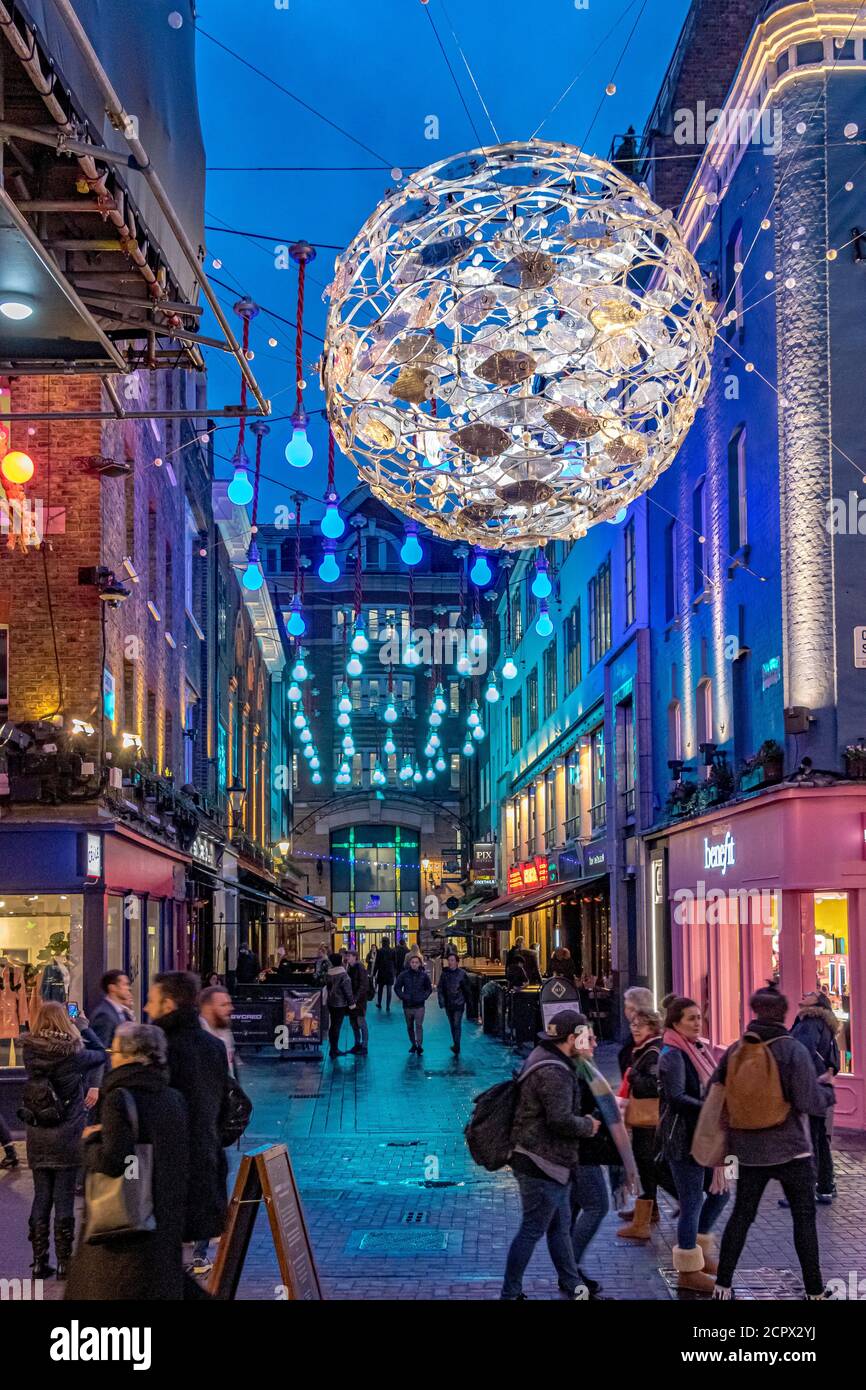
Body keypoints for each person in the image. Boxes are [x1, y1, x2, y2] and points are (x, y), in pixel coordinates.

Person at [712, 989, 837, 1301]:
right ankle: (814, 1290)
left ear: (755, 1012)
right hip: (791, 1148)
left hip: (748, 1151)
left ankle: (722, 1285)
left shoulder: (735, 1050)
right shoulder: (791, 1049)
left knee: (741, 1216)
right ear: (783, 1014)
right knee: (803, 1219)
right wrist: (829, 1093)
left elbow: (714, 1093)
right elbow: (809, 1100)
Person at [65, 1022, 189, 1301]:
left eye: (115, 1050)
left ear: (130, 1055)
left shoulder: (120, 1099)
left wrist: (89, 1143)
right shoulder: (173, 1098)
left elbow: (113, 1160)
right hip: (164, 1220)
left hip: (125, 1226)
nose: (111, 1055)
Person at [502, 1010, 601, 1300]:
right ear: (570, 1038)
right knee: (532, 1229)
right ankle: (510, 1292)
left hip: (549, 1162)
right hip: (540, 1162)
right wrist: (589, 1125)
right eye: (583, 1036)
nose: (588, 1042)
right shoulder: (554, 1071)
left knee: (558, 1228)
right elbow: (560, 1120)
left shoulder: (544, 1057)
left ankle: (573, 1285)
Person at [147, 972, 229, 1278]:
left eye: (152, 1001)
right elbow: (223, 1106)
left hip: (164, 1170)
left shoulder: (159, 1047)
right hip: (204, 1162)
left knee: (159, 1265)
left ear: (167, 1004)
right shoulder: (213, 1046)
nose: (146, 1007)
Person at [19, 1001, 106, 1278]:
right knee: (64, 1197)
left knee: (41, 1196)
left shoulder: (30, 1051)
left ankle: (38, 1262)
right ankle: (66, 1263)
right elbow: (101, 1053)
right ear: (63, 1022)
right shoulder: (74, 1053)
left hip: (38, 1132)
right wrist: (83, 1026)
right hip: (67, 1132)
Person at [658, 996, 729, 1293]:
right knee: (692, 1201)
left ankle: (697, 1254)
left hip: (706, 1136)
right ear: (675, 1023)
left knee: (721, 1194)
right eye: (691, 1018)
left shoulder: (699, 1048)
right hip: (683, 1137)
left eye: (699, 1017)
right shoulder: (673, 1054)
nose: (698, 1022)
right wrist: (709, 1107)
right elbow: (675, 1097)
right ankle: (688, 1270)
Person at [570, 1019, 640, 1294]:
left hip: (579, 1153)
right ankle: (570, 1271)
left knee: (573, 1212)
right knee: (596, 1206)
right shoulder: (580, 1073)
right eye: (591, 1038)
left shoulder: (582, 1069)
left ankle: (570, 1270)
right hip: (581, 1154)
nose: (596, 1043)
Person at [616, 1008, 663, 1240]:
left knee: (648, 1166)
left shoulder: (652, 1051)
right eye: (633, 1024)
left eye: (640, 1025)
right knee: (647, 1167)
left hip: (649, 1121)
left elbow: (653, 1086)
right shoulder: (644, 1049)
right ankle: (646, 1212)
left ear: (652, 1028)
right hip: (646, 1121)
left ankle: (644, 1220)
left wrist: (634, 1075)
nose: (634, 1028)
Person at [790, 989, 840, 1202]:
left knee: (809, 1139)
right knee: (819, 1138)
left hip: (810, 1088)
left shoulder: (809, 1022)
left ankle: (808, 1189)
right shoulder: (825, 1024)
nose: (804, 993)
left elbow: (800, 1052)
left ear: (818, 1003)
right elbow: (834, 1058)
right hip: (821, 1089)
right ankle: (825, 1186)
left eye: (811, 993)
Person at [394, 953, 432, 1055]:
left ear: (420, 964)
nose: (414, 964)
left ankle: (419, 1045)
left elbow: (429, 988)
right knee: (410, 1026)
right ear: (409, 963)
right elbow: (397, 987)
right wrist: (403, 996)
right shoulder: (404, 975)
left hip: (419, 1005)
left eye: (416, 962)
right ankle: (413, 1044)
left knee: (418, 1025)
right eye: (412, 962)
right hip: (408, 1005)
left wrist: (423, 997)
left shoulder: (423, 976)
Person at [437, 951, 473, 1056]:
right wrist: (442, 1001)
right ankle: (455, 1043)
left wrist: (469, 1003)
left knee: (457, 1024)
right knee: (452, 1025)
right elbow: (440, 988)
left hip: (459, 1003)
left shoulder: (462, 974)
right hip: (449, 1004)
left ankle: (457, 1045)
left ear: (457, 962)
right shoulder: (444, 974)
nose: (450, 962)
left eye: (452, 960)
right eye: (449, 960)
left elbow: (467, 989)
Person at [88, 970, 134, 1051]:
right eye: (124, 984)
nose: (128, 988)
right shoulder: (104, 1015)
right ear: (112, 988)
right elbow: (101, 1048)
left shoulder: (123, 1012)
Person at [199, 985, 238, 1077]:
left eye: (230, 1004)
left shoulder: (225, 1031)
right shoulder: (196, 1038)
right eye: (224, 1005)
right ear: (207, 1008)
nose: (231, 1008)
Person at [324, 952, 355, 1059]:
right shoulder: (343, 975)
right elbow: (347, 991)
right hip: (340, 1004)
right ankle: (335, 1050)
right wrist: (351, 1004)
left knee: (332, 1026)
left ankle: (332, 1048)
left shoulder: (329, 974)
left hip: (330, 1002)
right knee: (337, 1026)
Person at [345, 950, 369, 1055]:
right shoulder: (349, 967)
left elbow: (363, 985)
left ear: (355, 957)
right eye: (347, 956)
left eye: (349, 956)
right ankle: (357, 1044)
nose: (347, 958)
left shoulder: (359, 967)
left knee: (361, 1022)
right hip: (352, 1000)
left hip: (359, 1001)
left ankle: (364, 1046)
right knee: (353, 1023)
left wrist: (355, 999)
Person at [373, 935, 397, 1010]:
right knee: (389, 989)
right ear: (389, 942)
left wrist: (374, 973)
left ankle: (379, 1003)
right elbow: (395, 962)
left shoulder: (379, 951)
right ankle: (388, 1006)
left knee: (380, 989)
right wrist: (395, 971)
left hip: (381, 972)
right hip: (390, 972)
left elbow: (377, 963)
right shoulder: (393, 951)